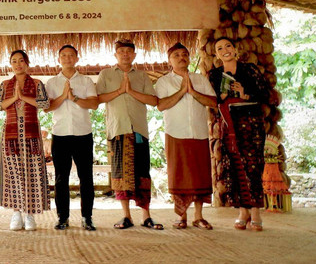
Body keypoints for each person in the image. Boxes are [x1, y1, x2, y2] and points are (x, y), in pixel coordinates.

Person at [97, 39, 163, 230]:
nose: (125, 54)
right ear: (115, 55)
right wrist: (120, 90)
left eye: (129, 51)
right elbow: (98, 98)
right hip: (118, 130)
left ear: (134, 55)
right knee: (120, 175)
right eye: (121, 51)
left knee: (143, 173)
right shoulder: (106, 74)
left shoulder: (142, 76)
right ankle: (126, 216)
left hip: (139, 130)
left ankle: (146, 216)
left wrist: (131, 91)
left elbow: (153, 100)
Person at [208, 37, 269, 231]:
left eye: (228, 46)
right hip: (228, 125)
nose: (224, 50)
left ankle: (256, 211)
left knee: (253, 165)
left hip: (251, 124)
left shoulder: (249, 69)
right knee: (236, 166)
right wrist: (222, 96)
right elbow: (211, 100)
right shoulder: (215, 74)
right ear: (216, 54)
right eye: (219, 48)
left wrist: (245, 93)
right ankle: (243, 210)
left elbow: (265, 95)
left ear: (235, 49)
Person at [155, 43, 217, 230]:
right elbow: (161, 105)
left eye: (184, 54)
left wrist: (193, 92)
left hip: (198, 133)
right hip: (176, 133)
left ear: (189, 58)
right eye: (176, 55)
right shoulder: (164, 82)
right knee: (179, 176)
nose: (181, 58)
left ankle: (198, 217)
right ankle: (181, 216)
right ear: (169, 60)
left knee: (200, 176)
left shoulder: (200, 79)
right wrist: (182, 91)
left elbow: (213, 102)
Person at [0, 50, 50, 231]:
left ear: (27, 63)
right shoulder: (4, 84)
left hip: (31, 133)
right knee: (13, 173)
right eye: (14, 61)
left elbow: (44, 104)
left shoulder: (36, 83)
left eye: (21, 61)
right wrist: (14, 97)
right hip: (10, 134)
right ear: (11, 64)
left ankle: (30, 214)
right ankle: (16, 213)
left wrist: (22, 97)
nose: (17, 64)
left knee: (32, 172)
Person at [45, 45, 99, 231]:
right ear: (59, 59)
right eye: (63, 55)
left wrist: (74, 98)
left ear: (77, 58)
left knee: (86, 177)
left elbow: (94, 104)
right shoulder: (51, 82)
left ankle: (87, 217)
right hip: (60, 135)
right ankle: (62, 218)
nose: (67, 58)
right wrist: (63, 96)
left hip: (83, 134)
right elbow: (47, 107)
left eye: (71, 55)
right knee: (61, 178)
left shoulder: (86, 81)